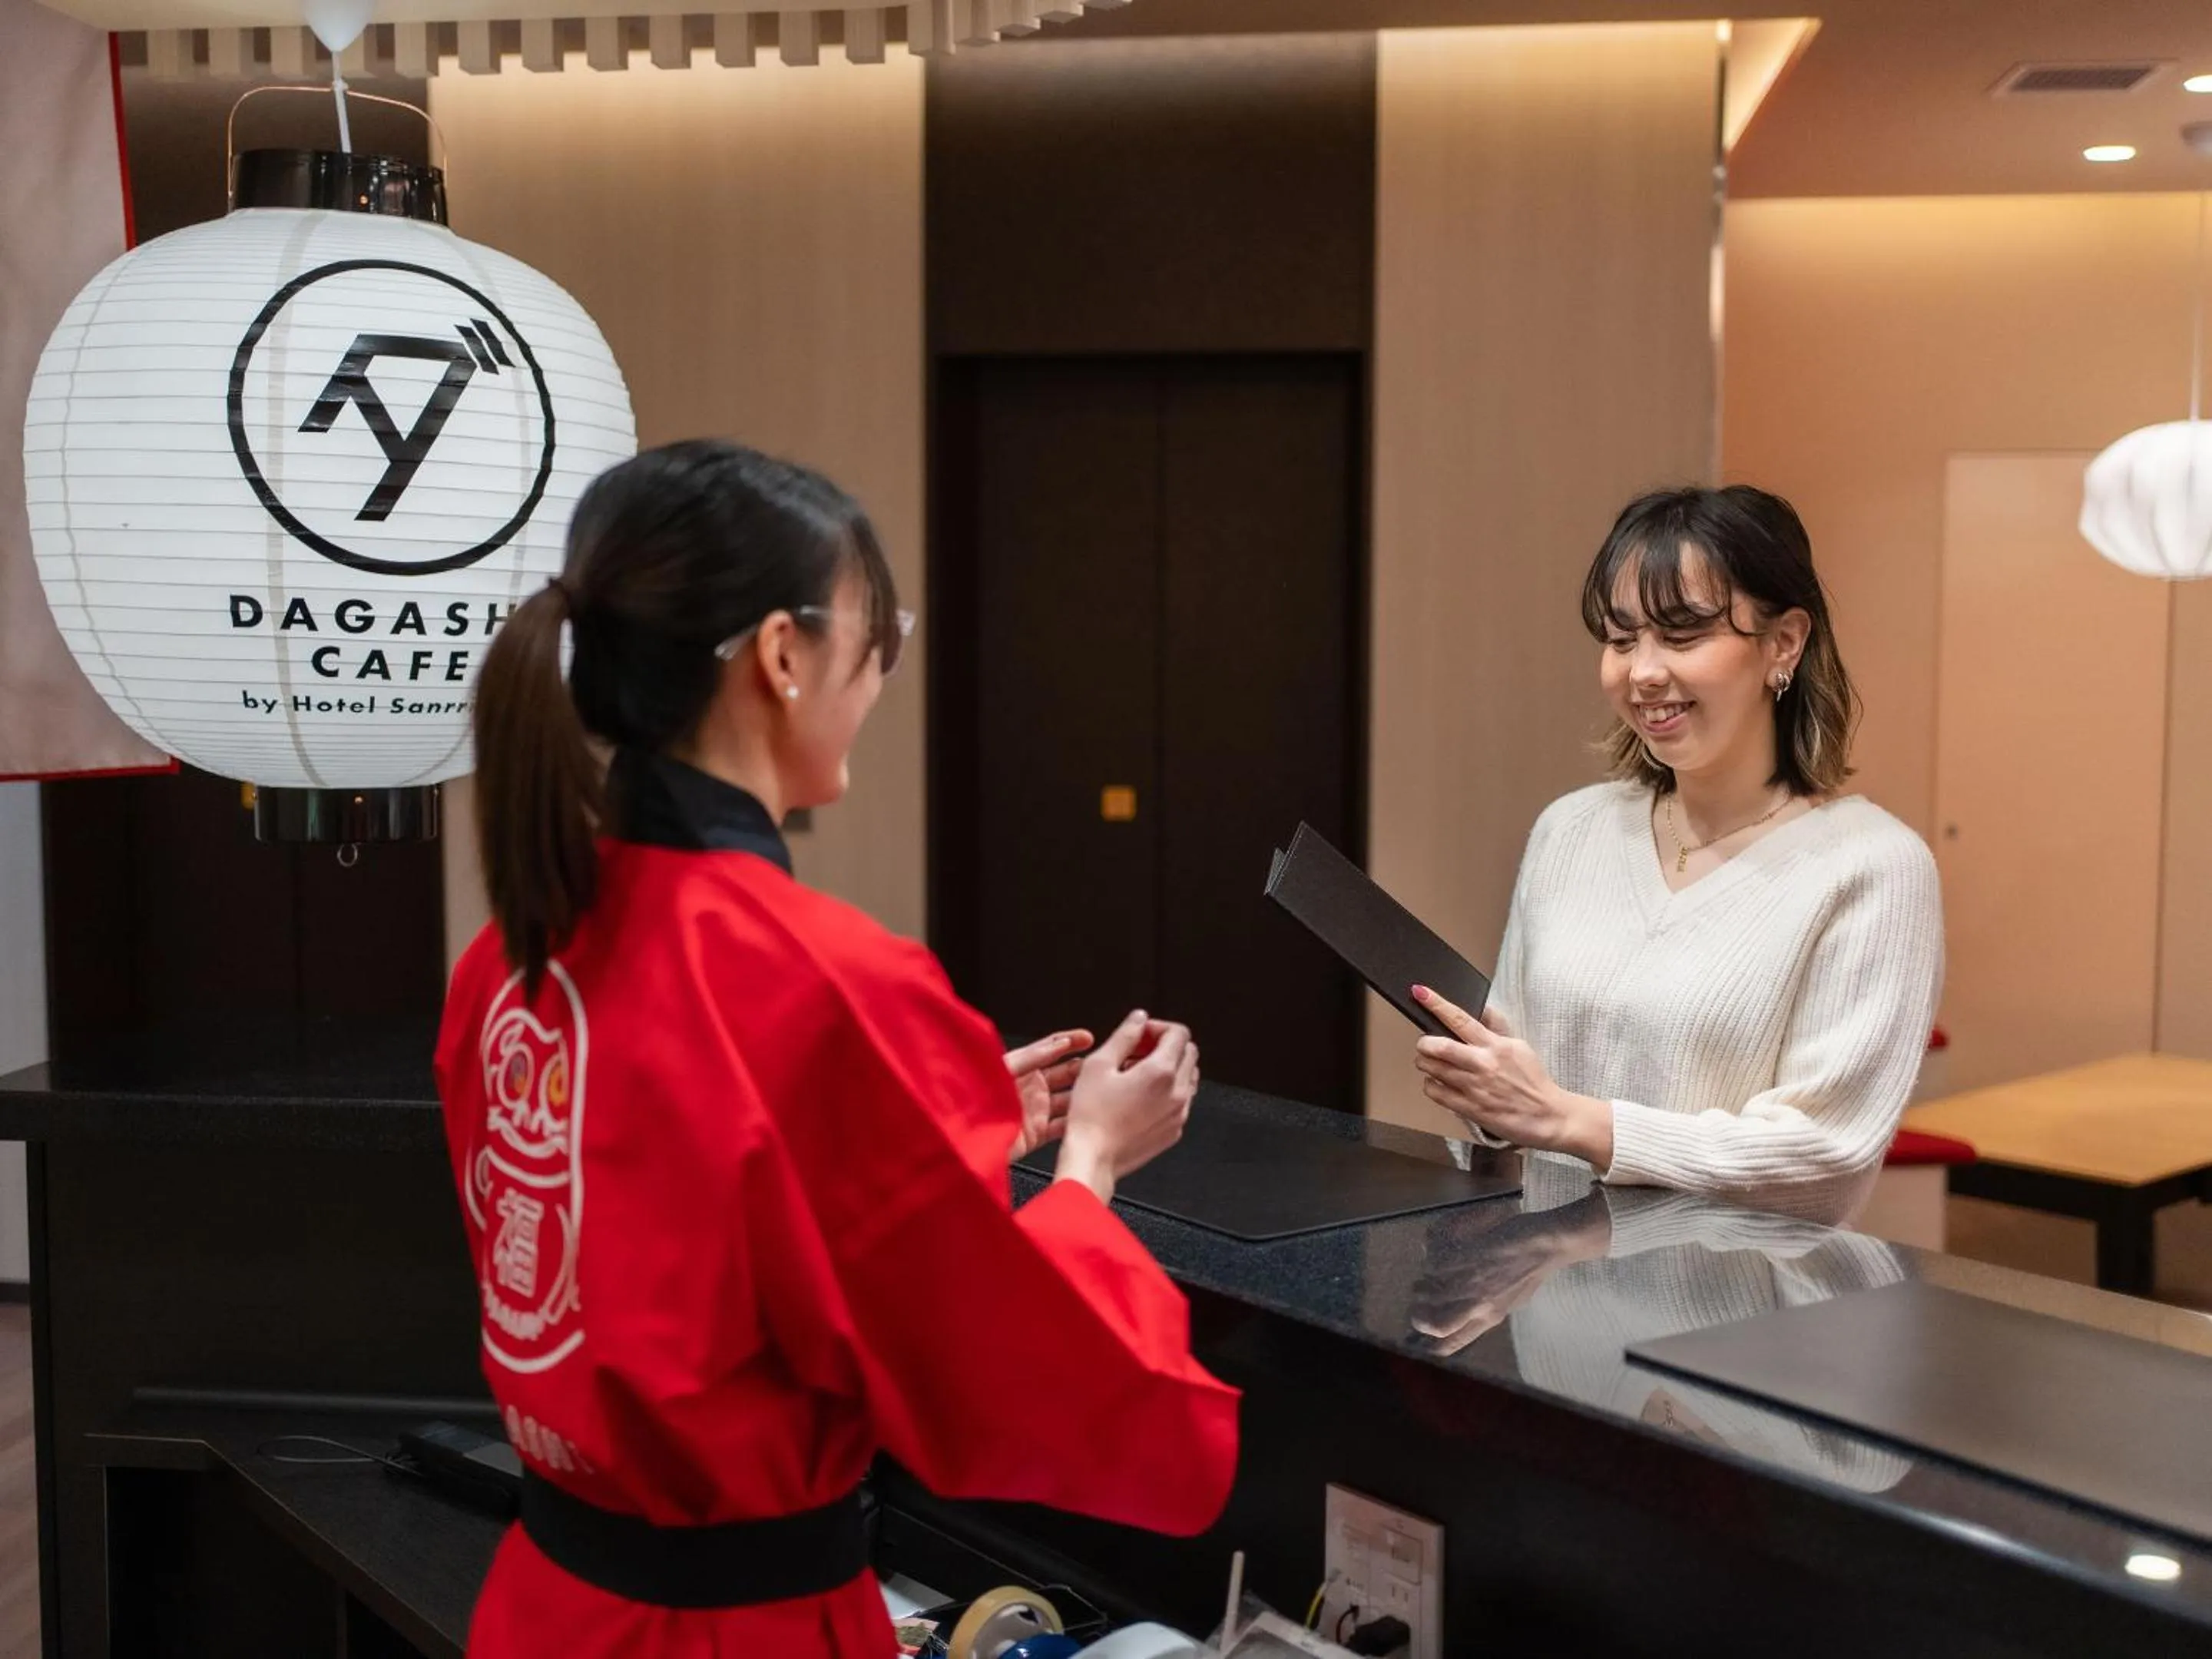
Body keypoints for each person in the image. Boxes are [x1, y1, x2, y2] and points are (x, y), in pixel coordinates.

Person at [435, 439, 1238, 1657]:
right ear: (781, 654)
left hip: (546, 1601)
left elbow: (678, 1239)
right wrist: (1088, 1167)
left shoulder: (512, 954)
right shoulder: (823, 979)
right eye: (879, 636)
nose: (879, 672)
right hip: (733, 1631)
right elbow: (998, 1381)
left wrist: (939, 1124)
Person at [1410, 485, 1943, 1201]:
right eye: (1621, 639)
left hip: (1746, 1307)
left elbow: (1824, 1145)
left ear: (1784, 641)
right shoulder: (1570, 831)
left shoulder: (1872, 868)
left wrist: (1570, 1120)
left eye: (1684, 635)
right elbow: (1522, 1091)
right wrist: (1493, 1099)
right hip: (1547, 1296)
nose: (1643, 672)